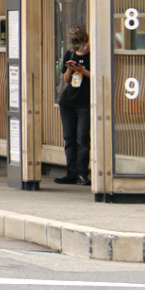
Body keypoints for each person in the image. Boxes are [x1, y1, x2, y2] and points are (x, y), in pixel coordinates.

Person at [55, 26, 92, 186]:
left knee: (83, 138)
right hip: (68, 102)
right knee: (69, 138)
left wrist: (83, 70)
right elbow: (66, 79)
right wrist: (70, 69)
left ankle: (82, 174)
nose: (77, 48)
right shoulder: (70, 54)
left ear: (86, 40)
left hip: (85, 102)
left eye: (79, 45)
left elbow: (98, 76)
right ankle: (71, 173)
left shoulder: (93, 54)